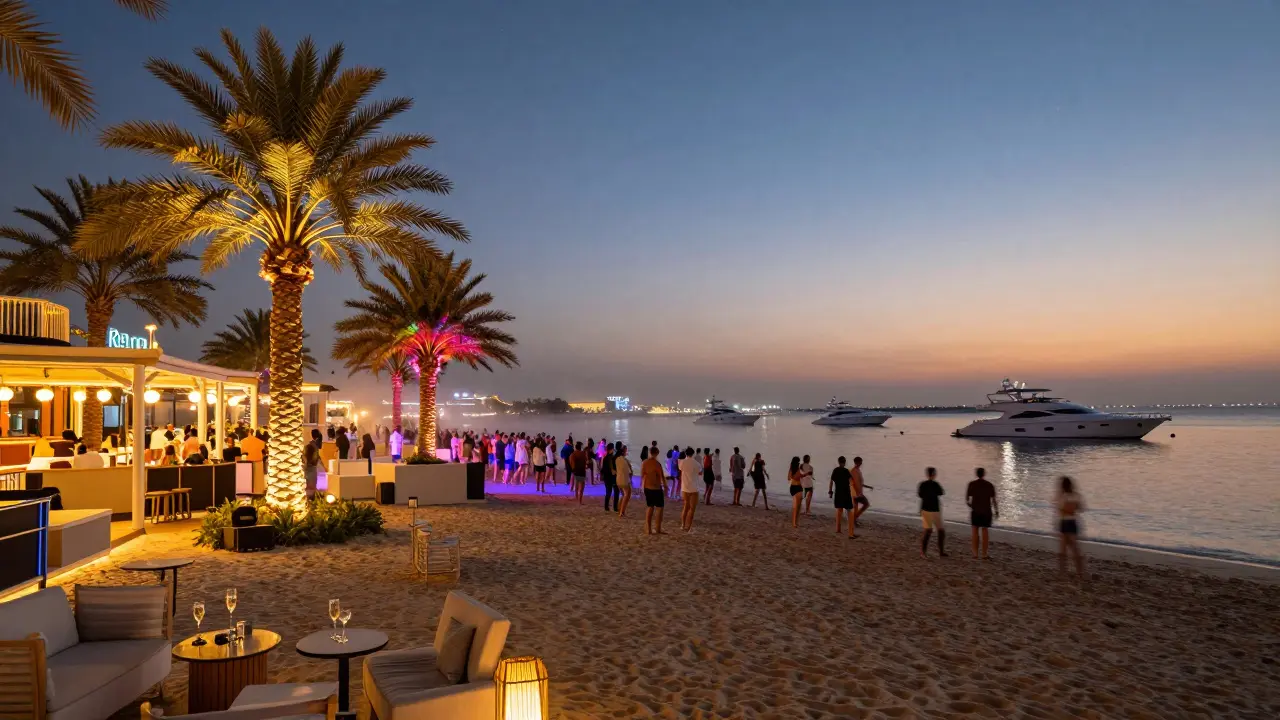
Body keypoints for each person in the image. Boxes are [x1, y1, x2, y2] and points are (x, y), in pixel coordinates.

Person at [965, 467, 998, 559]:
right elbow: (994, 500)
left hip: (975, 511)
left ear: (976, 474)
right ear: (984, 474)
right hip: (986, 511)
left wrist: (972, 506)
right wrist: (996, 511)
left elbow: (967, 500)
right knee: (985, 531)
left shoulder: (972, 484)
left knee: (975, 531)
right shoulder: (989, 485)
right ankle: (984, 554)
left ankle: (975, 554)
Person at [1057, 476, 1086, 579]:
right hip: (1073, 522)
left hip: (1065, 522)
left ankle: (1063, 572)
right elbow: (1081, 508)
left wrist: (1067, 509)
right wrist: (1073, 508)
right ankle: (1079, 572)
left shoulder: (1063, 496)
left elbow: (1061, 509)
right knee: (1074, 548)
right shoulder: (1076, 495)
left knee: (1064, 549)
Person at [918, 467, 947, 558]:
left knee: (929, 530)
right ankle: (940, 551)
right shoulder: (935, 484)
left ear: (927, 474)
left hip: (926, 509)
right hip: (933, 509)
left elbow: (920, 495)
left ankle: (924, 552)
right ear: (934, 474)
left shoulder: (923, 484)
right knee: (939, 530)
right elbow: (941, 492)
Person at [829, 456, 856, 537]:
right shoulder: (846, 471)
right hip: (846, 493)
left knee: (839, 510)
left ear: (838, 462)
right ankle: (850, 533)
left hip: (838, 493)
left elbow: (831, 482)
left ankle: (838, 529)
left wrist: (830, 491)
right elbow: (851, 482)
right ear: (845, 462)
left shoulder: (835, 470)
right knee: (849, 511)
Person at [640, 447, 665, 534]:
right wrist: (665, 486)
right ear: (657, 453)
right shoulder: (657, 464)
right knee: (659, 508)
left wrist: (641, 486)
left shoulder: (644, 463)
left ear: (650, 452)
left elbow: (642, 475)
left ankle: (649, 529)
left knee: (650, 507)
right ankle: (658, 528)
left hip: (647, 487)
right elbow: (662, 476)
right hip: (656, 488)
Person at [679, 447, 701, 532]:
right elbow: (700, 472)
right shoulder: (696, 463)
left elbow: (680, 469)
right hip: (694, 488)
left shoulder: (682, 462)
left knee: (685, 507)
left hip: (685, 487)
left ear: (686, 453)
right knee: (692, 509)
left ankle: (683, 524)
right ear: (693, 453)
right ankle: (689, 526)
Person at [851, 456, 873, 529]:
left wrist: (868, 486)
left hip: (858, 492)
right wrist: (858, 493)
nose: (861, 463)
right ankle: (854, 519)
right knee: (866, 504)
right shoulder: (854, 471)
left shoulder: (858, 470)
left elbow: (860, 483)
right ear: (856, 462)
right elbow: (854, 483)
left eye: (861, 462)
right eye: (860, 462)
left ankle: (854, 521)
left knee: (856, 508)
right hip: (856, 493)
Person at [615, 444, 634, 517]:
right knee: (627, 495)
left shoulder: (617, 459)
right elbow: (629, 471)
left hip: (618, 479)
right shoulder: (624, 460)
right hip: (624, 479)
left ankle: (619, 509)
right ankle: (622, 512)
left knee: (624, 495)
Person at [787, 457, 805, 528]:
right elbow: (790, 478)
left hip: (796, 487)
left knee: (798, 506)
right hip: (796, 487)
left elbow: (790, 478)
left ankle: (795, 522)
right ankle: (794, 522)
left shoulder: (795, 468)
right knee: (797, 506)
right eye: (798, 462)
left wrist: (805, 474)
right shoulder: (794, 469)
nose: (799, 463)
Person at [601, 442, 619, 512]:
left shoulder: (605, 458)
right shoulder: (613, 458)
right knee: (616, 491)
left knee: (608, 492)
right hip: (612, 477)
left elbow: (603, 469)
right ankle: (615, 507)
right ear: (612, 449)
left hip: (606, 477)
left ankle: (606, 506)